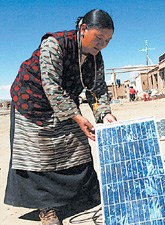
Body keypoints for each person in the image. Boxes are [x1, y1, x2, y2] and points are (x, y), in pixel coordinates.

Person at [4, 9, 117, 225]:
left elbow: (98, 89)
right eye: (99, 38)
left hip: (64, 103)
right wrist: (76, 115)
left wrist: (105, 114)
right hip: (32, 102)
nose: (102, 45)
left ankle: (82, 196)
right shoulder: (54, 44)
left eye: (108, 41)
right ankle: (46, 208)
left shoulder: (95, 58)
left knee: (77, 148)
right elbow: (51, 86)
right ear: (83, 29)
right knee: (40, 156)